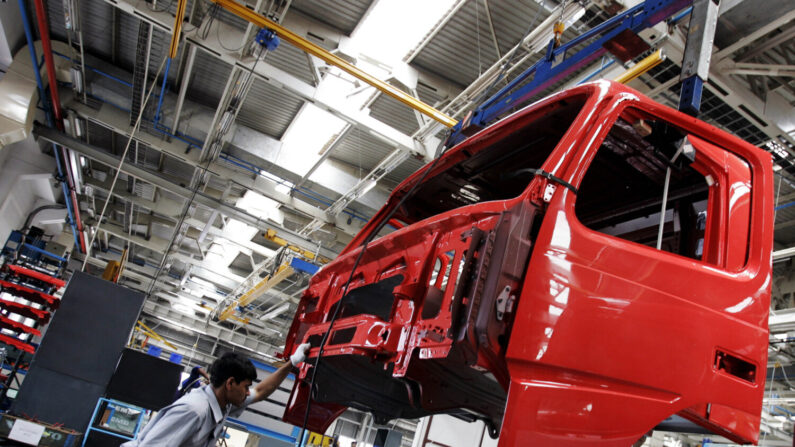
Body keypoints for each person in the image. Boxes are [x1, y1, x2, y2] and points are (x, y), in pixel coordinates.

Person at [122, 343, 311, 446]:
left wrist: (293, 362)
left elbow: (261, 391)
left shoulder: (224, 403)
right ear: (230, 383)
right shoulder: (194, 411)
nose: (247, 393)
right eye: (245, 387)